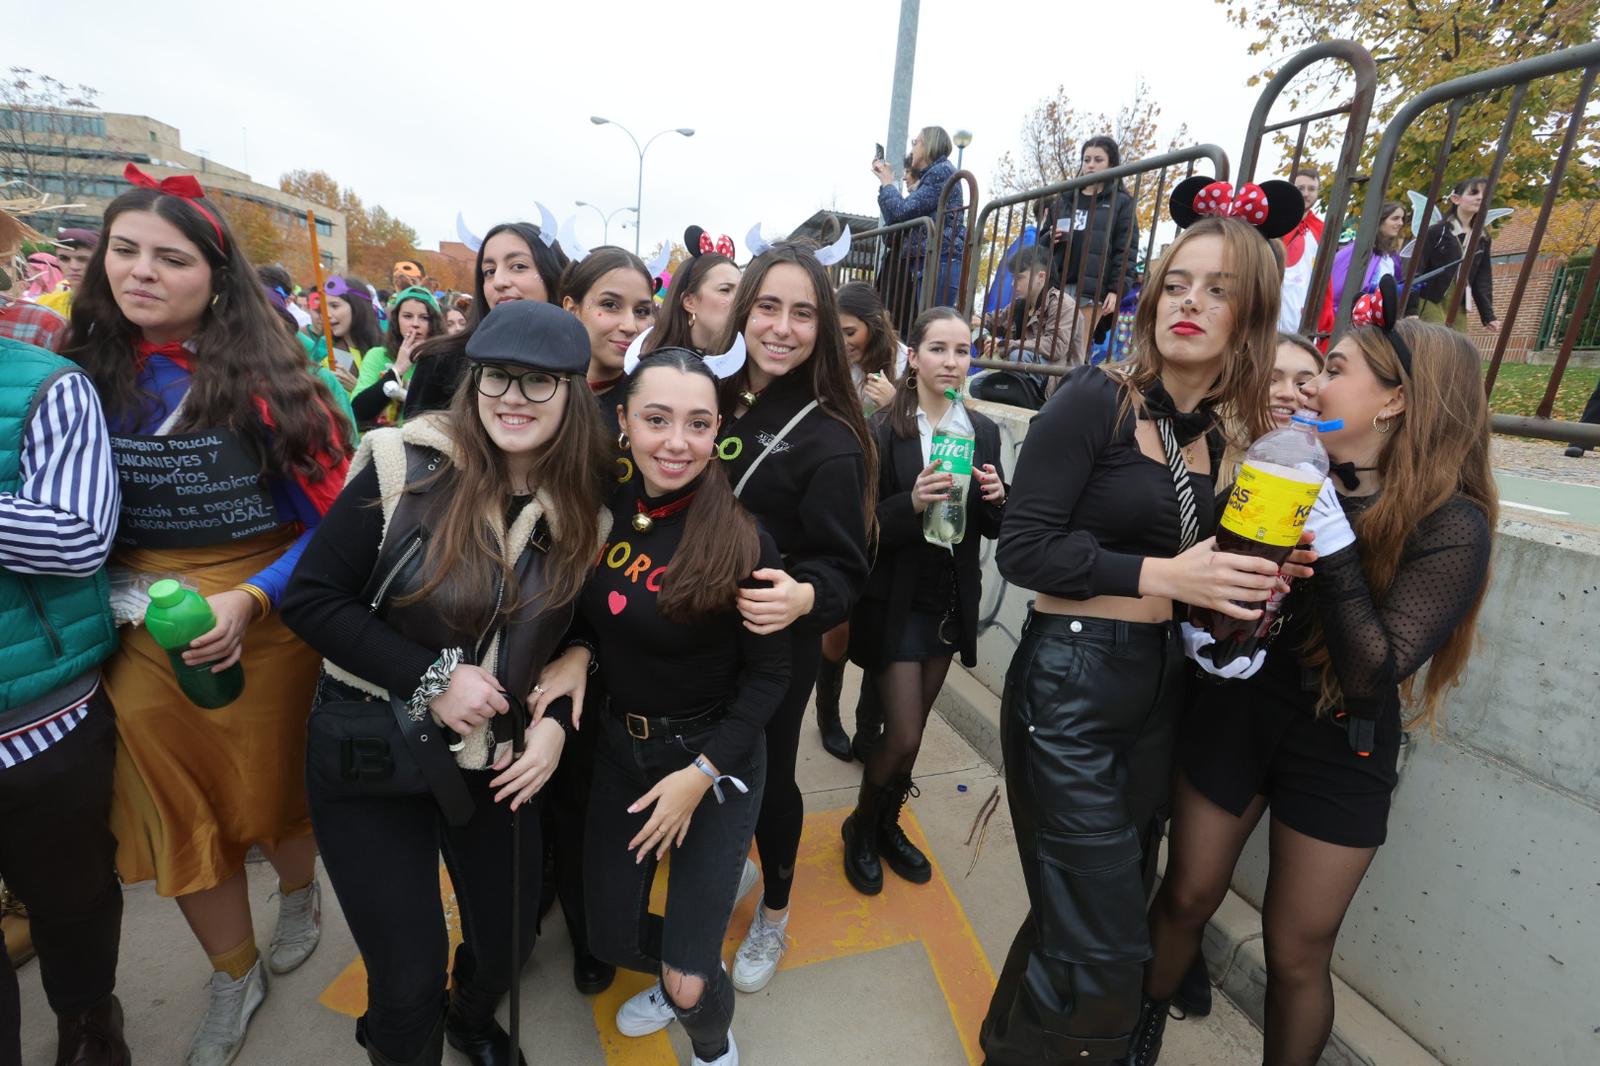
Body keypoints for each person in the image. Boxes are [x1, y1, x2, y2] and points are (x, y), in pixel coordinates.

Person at [979, 173, 1307, 1063]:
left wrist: (1254, 588)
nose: (1189, 303)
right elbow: (1024, 549)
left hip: (1160, 693)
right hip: (1072, 682)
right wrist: (1172, 571)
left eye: (1218, 290)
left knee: (1087, 905)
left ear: (1250, 319)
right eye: (1177, 283)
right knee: (1107, 940)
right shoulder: (1095, 398)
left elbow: (1206, 583)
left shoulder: (1218, 436)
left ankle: (1003, 1044)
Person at [1136, 302, 1496, 1066]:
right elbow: (1226, 585)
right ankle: (1133, 1042)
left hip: (1345, 738)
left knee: (1296, 951)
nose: (1313, 388)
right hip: (1242, 709)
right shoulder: (1290, 462)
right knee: (1188, 895)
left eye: (1334, 371)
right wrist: (1211, 633)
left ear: (1395, 399)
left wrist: (1331, 539)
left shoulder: (1452, 522)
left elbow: (1374, 668)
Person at [62, 163, 352, 1066]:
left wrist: (251, 597)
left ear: (215, 276)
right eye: (126, 250)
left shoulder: (278, 384)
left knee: (279, 789)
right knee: (173, 810)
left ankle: (299, 894)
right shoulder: (70, 378)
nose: (142, 272)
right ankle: (233, 972)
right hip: (138, 633)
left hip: (269, 623)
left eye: (171, 257)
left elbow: (341, 525)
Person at [281, 300, 611, 1066]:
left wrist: (569, 686)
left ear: (573, 393)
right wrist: (431, 678)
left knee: (508, 941)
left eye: (539, 383)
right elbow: (311, 601)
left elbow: (585, 626)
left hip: (492, 763)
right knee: (405, 980)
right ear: (473, 380)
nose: (513, 398)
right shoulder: (403, 465)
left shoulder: (585, 513)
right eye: (498, 377)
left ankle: (468, 1020)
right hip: (374, 749)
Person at [548, 347, 790, 1066]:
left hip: (717, 761)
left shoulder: (744, 538)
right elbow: (595, 616)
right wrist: (578, 651)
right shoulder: (605, 509)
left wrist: (701, 775)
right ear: (623, 421)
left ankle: (709, 1038)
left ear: (719, 430)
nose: (676, 442)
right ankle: (695, 937)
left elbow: (771, 679)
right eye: (657, 419)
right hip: (624, 753)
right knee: (608, 937)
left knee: (687, 984)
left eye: (697, 423)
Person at [716, 241, 873, 994]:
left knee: (767, 782)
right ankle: (723, 876)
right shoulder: (698, 394)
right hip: (682, 636)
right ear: (743, 311)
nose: (781, 327)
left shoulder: (830, 437)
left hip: (774, 644)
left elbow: (846, 568)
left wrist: (804, 597)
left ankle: (773, 911)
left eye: (803, 312)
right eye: (767, 307)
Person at [841, 308, 1005, 895]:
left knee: (910, 731)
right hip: (894, 599)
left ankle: (886, 824)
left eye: (962, 351)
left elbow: (987, 527)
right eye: (938, 349)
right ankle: (860, 826)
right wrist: (909, 503)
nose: (951, 362)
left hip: (948, 600)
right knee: (905, 734)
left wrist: (997, 497)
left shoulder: (981, 431)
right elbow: (858, 528)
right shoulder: (883, 428)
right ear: (913, 356)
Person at [0, 330, 126, 1065]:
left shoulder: (48, 388)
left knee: (70, 899)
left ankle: (88, 1025)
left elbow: (78, 538)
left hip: (38, 721)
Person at [814, 281, 901, 763]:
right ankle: (827, 711)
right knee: (839, 621)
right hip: (844, 501)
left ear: (874, 327)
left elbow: (943, 422)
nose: (843, 339)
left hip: (892, 507)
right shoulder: (826, 364)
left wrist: (895, 405)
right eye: (837, 330)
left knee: (877, 621)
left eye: (850, 331)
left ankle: (871, 726)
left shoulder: (906, 366)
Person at [405, 223, 569, 420]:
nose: (499, 282)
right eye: (489, 271)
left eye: (518, 266)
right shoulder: (441, 360)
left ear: (553, 274)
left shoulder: (579, 359)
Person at [1040, 136, 1140, 369]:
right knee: (1051, 343)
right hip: (1059, 282)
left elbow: (1125, 249)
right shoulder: (1065, 198)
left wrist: (1117, 289)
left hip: (1093, 287)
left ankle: (1069, 400)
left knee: (1078, 348)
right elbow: (1041, 243)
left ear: (1111, 164)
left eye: (1098, 160)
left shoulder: (1121, 202)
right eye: (1086, 159)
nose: (1091, 165)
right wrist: (1049, 238)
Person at [872, 126, 967, 331]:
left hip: (938, 260)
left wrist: (888, 183)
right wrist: (885, 185)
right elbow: (896, 220)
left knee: (931, 328)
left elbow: (901, 211)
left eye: (916, 142)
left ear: (929, 145)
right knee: (926, 327)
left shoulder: (940, 172)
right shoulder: (933, 175)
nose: (912, 148)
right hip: (931, 259)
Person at [560, 246, 655, 437]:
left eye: (641, 311)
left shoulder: (655, 403)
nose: (630, 326)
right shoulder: (537, 393)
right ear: (572, 310)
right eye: (610, 305)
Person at [1404, 176, 1501, 334]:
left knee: (1457, 350)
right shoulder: (1437, 232)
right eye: (1473, 193)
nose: (1479, 197)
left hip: (1459, 303)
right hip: (1430, 298)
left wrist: (1488, 314)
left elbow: (1483, 278)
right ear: (1456, 199)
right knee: (1437, 342)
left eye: (1484, 195)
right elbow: (1416, 268)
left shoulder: (1482, 238)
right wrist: (1411, 308)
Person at [350, 286, 443, 429]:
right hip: (379, 445)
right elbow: (358, 412)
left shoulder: (445, 360)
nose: (415, 324)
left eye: (424, 318)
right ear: (396, 320)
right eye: (407, 316)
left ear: (434, 323)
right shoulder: (378, 355)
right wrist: (397, 370)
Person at [1315, 201, 1406, 343]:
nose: (1400, 223)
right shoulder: (1357, 251)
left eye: (1402, 219)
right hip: (1347, 324)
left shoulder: (1391, 257)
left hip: (1373, 329)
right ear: (1380, 220)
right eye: (1395, 218)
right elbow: (1336, 288)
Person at [646, 232, 740, 355]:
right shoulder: (660, 367)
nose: (739, 300)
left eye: (740, 291)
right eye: (725, 290)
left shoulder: (744, 362)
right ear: (690, 302)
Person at [301, 274, 383, 391]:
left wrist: (358, 389)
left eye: (335, 306)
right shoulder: (325, 352)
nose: (327, 315)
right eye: (324, 308)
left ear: (357, 307)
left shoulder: (385, 352)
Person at [1279, 167, 1325, 333]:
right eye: (1301, 188)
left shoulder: (1322, 229)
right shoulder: (1279, 222)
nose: (1306, 194)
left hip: (1305, 310)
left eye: (1311, 189)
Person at [34, 227, 99, 319]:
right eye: (64, 258)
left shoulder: (119, 307)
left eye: (83, 259)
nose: (73, 266)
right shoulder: (45, 304)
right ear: (57, 261)